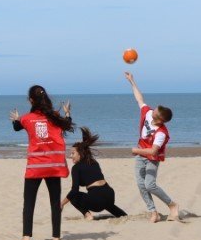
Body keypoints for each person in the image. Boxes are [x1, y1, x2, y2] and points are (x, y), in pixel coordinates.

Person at [9, 85, 74, 240]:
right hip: (53, 166)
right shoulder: (55, 117)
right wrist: (67, 112)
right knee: (55, 202)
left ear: (31, 100)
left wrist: (16, 119)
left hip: (35, 167)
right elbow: (67, 124)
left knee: (29, 202)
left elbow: (17, 127)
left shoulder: (26, 119)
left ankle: (26, 237)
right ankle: (56, 238)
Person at [124, 72, 179, 223]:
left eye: (155, 111)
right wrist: (132, 81)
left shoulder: (161, 133)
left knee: (150, 184)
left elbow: (154, 151)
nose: (152, 110)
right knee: (141, 185)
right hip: (141, 155)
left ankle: (172, 204)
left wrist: (136, 151)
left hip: (152, 158)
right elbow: (139, 99)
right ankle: (153, 212)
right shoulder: (148, 113)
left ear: (160, 119)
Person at [61, 127, 127, 220]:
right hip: (110, 195)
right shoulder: (93, 162)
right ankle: (123, 215)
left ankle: (87, 215)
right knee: (107, 204)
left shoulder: (76, 168)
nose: (70, 156)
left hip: (97, 201)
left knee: (73, 196)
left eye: (73, 153)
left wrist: (62, 204)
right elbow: (88, 179)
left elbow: (74, 190)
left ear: (80, 153)